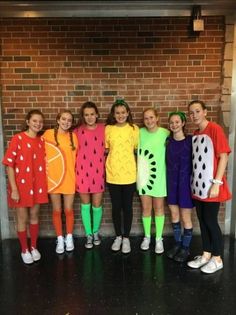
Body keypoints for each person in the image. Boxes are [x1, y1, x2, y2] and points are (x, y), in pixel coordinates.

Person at [187, 100, 231, 274]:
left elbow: (223, 156)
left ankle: (218, 258)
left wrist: (217, 183)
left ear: (205, 112)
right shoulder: (196, 133)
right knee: (202, 221)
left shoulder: (214, 129)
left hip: (212, 186)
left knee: (211, 221)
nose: (194, 115)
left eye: (197, 111)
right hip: (198, 186)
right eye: (191, 112)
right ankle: (206, 254)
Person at [2, 110, 48, 264]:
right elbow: (9, 165)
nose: (38, 124)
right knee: (22, 218)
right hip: (21, 186)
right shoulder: (18, 138)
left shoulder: (42, 141)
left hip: (37, 185)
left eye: (40, 121)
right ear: (28, 122)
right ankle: (24, 249)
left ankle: (33, 247)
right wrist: (14, 189)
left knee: (34, 216)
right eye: (34, 121)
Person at [105, 99, 139, 254]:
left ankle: (126, 238)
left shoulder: (134, 129)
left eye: (123, 112)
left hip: (130, 174)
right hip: (113, 174)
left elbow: (138, 149)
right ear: (113, 114)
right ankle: (118, 236)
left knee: (127, 207)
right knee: (116, 207)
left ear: (128, 113)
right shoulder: (108, 129)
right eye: (117, 113)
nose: (120, 115)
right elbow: (106, 149)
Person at [43, 110, 78, 254]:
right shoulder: (48, 134)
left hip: (69, 177)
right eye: (63, 119)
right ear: (58, 120)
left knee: (68, 209)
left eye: (69, 120)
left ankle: (69, 237)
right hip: (53, 178)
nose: (66, 122)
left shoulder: (74, 137)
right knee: (57, 210)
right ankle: (60, 238)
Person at [137, 108, 169, 254]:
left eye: (151, 117)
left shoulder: (165, 133)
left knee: (159, 208)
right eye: (146, 118)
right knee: (146, 208)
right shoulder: (139, 133)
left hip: (160, 176)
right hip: (143, 177)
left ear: (157, 118)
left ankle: (158, 239)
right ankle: (147, 237)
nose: (149, 121)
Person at [75, 101, 105, 249]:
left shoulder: (104, 129)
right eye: (86, 115)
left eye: (92, 114)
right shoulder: (77, 131)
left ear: (97, 114)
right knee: (85, 205)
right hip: (82, 172)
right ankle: (88, 234)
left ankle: (95, 232)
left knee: (97, 205)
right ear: (83, 116)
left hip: (98, 173)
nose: (89, 117)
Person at [166, 111, 193, 262]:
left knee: (185, 217)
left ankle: (186, 248)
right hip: (172, 184)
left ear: (183, 123)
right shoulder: (168, 142)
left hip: (185, 185)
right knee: (174, 216)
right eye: (171, 122)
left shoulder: (190, 141)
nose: (174, 125)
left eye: (177, 122)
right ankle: (177, 244)